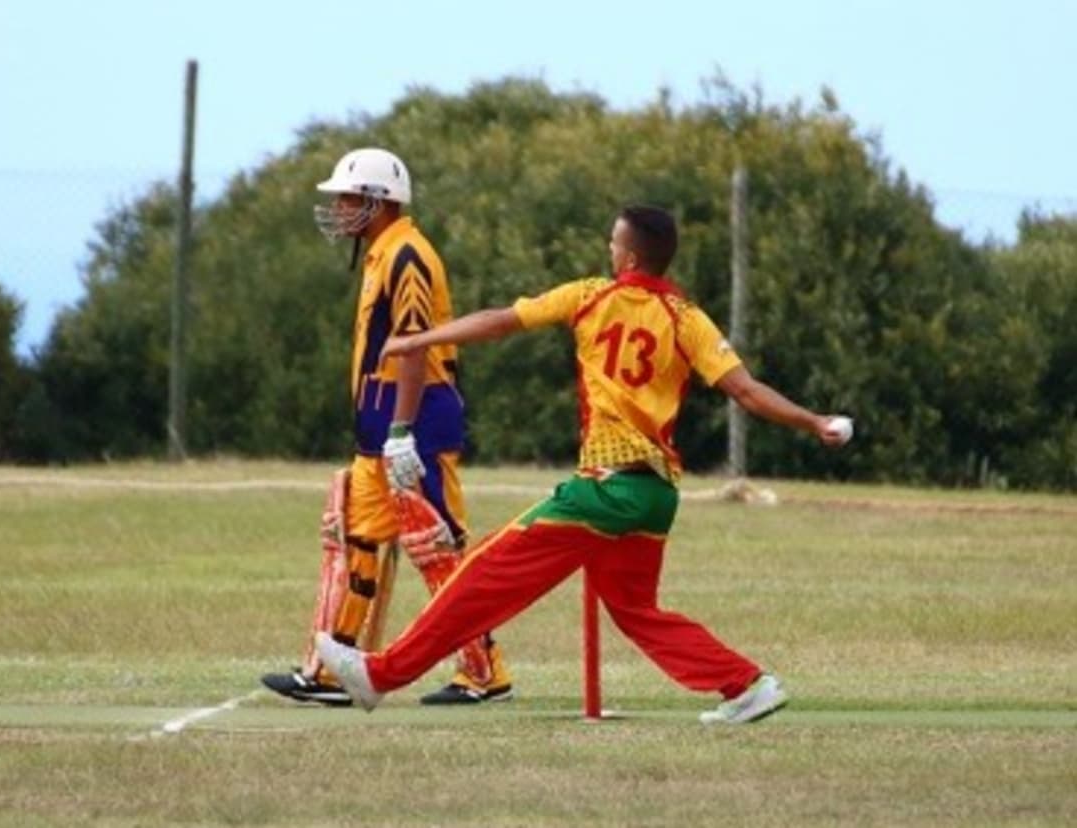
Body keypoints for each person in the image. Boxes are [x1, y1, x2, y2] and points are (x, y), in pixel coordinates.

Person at [314, 205, 853, 724]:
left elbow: (499, 322)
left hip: (603, 489)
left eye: (615, 243)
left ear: (631, 259)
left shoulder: (589, 296)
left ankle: (378, 675)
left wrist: (421, 338)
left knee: (481, 573)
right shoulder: (687, 317)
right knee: (636, 611)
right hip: (655, 495)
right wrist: (815, 422)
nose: (609, 249)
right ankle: (748, 685)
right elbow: (748, 392)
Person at [260, 148, 515, 707]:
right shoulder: (380, 254)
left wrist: (402, 430)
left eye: (348, 197)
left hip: (416, 420)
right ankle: (331, 670)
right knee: (358, 542)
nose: (339, 207)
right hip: (380, 424)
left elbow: (416, 346)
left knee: (437, 545)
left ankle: (485, 671)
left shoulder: (408, 256)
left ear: (378, 201)